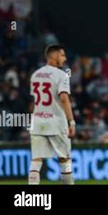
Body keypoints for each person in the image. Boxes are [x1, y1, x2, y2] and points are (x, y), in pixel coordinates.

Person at [28, 45, 76, 185]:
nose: (65, 58)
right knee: (65, 160)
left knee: (36, 160)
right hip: (56, 122)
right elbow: (64, 99)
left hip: (37, 122)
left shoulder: (35, 75)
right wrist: (71, 122)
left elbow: (34, 102)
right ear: (54, 56)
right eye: (62, 55)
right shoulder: (62, 75)